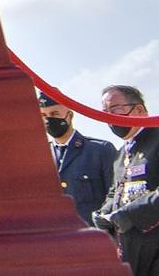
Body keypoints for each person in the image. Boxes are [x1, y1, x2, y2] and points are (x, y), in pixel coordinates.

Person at [91, 84, 159, 273]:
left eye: (115, 109)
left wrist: (130, 215)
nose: (109, 117)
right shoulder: (121, 154)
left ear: (139, 109)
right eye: (105, 112)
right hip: (138, 258)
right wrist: (104, 214)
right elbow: (117, 192)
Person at [39, 90, 117, 227]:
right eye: (43, 115)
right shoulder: (40, 156)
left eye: (55, 114)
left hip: (95, 238)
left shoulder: (99, 150)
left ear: (70, 115)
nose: (48, 120)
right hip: (58, 239)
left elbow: (116, 197)